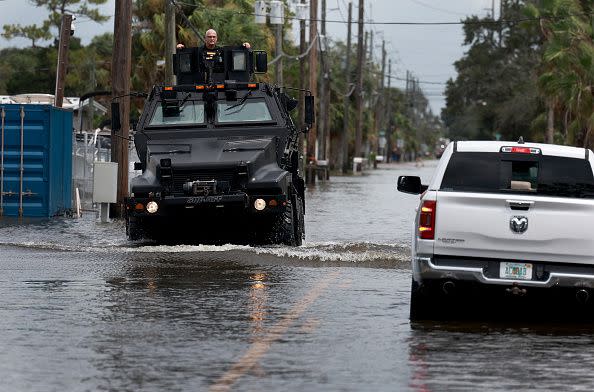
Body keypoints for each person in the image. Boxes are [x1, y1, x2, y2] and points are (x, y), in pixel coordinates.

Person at [176, 29, 251, 50]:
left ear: (216, 39)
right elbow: (189, 54)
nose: (212, 38)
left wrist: (244, 46)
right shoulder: (199, 51)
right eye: (209, 37)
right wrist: (181, 48)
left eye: (213, 37)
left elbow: (233, 51)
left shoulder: (221, 51)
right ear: (205, 38)